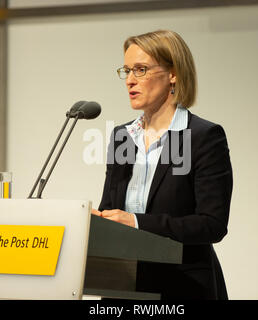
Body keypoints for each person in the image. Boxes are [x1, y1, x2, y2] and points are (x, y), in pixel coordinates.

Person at [91, 30, 233, 300]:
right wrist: (96, 220)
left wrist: (135, 222)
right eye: (127, 71)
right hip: (122, 285)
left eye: (141, 70)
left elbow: (211, 224)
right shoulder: (123, 137)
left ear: (173, 74)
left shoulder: (202, 137)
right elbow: (110, 208)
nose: (130, 81)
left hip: (182, 286)